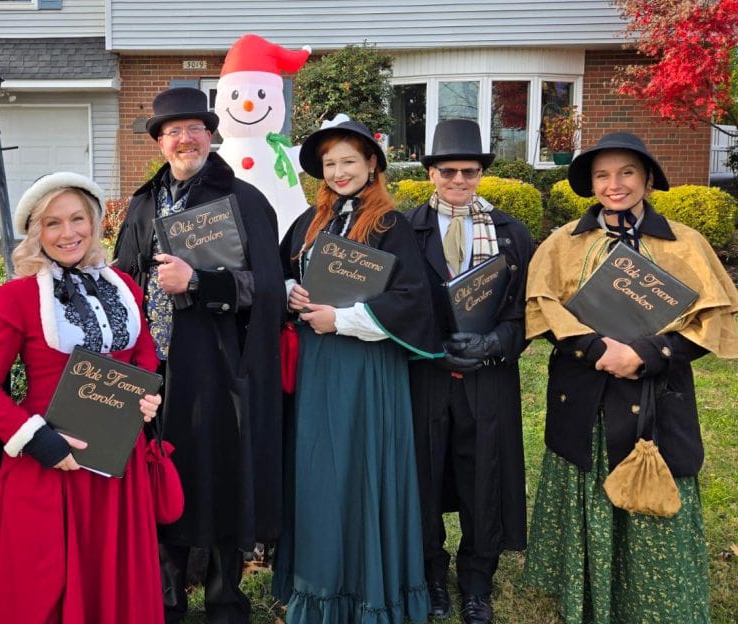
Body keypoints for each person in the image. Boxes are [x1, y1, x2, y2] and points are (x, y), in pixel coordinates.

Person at [522, 131, 738, 624]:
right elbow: (542, 308)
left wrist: (646, 354)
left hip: (655, 394)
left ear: (646, 179)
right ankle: (588, 593)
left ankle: (653, 598)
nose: (613, 184)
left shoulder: (684, 243)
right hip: (586, 392)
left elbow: (712, 322)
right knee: (590, 475)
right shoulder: (563, 242)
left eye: (625, 173)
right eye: (602, 175)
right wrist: (597, 349)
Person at [0, 172, 164, 623]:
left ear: (93, 223)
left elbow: (145, 359)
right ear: (36, 233)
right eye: (52, 223)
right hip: (50, 464)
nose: (68, 233)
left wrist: (148, 400)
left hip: (115, 465)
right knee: (42, 587)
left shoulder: (124, 288)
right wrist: (37, 439)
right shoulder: (16, 298)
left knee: (110, 579)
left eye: (77, 219)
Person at [114, 86, 285, 624]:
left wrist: (202, 283)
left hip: (218, 366)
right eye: (172, 131)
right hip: (154, 367)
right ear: (160, 142)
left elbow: (269, 287)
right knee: (163, 471)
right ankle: (167, 596)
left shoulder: (243, 199)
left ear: (210, 135)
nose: (184, 139)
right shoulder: (142, 203)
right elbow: (120, 280)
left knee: (218, 473)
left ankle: (223, 597)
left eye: (194, 129)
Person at [271, 114, 439, 624]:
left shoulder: (392, 225)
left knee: (361, 468)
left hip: (367, 366)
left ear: (372, 164)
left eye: (349, 161)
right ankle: (319, 584)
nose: (340, 172)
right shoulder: (308, 223)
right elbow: (280, 275)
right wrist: (290, 293)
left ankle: (368, 589)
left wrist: (340, 319)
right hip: (317, 366)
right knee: (320, 466)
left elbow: (412, 301)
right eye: (330, 164)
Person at [405, 119, 531, 624]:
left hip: (487, 378)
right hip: (427, 375)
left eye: (470, 171)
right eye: (448, 171)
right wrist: (431, 344)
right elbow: (396, 304)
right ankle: (432, 574)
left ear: (481, 173)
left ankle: (477, 580)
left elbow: (526, 310)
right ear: (431, 172)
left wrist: (494, 343)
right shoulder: (405, 230)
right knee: (425, 476)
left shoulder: (511, 233)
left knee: (486, 478)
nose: (459, 181)